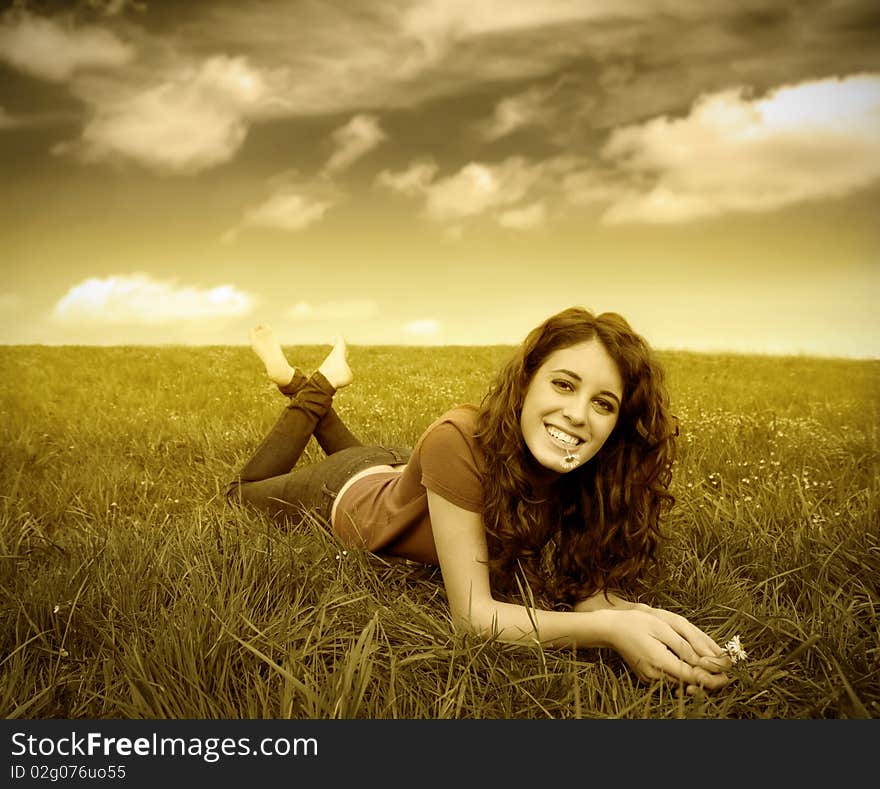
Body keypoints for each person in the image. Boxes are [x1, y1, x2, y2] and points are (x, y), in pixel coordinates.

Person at [227, 307, 732, 693]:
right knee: (242, 492)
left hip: (401, 469)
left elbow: (588, 594)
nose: (579, 415)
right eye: (563, 384)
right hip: (344, 492)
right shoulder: (460, 439)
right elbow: (474, 618)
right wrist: (608, 632)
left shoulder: (585, 470)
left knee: (383, 463)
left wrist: (647, 619)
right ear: (527, 381)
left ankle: (309, 386)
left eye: (603, 403)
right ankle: (310, 385)